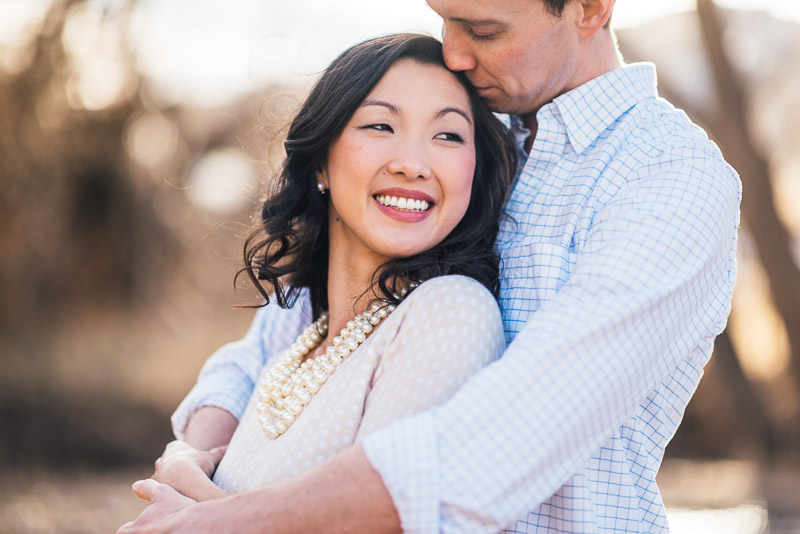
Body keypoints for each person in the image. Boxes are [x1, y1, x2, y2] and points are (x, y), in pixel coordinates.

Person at [121, 0, 742, 532]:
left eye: (483, 29)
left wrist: (224, 521)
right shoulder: (471, 134)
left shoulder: (668, 179)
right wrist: (193, 462)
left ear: (590, 8)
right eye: (443, 18)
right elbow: (278, 342)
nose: (454, 54)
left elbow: (505, 437)